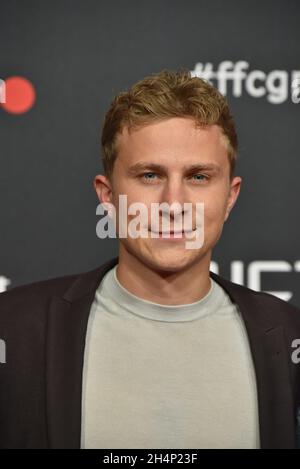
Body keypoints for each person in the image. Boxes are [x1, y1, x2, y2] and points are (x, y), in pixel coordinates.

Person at [0, 69, 299, 449]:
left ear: (230, 196)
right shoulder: (12, 329)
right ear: (107, 196)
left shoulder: (290, 335)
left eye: (199, 177)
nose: (173, 204)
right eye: (149, 175)